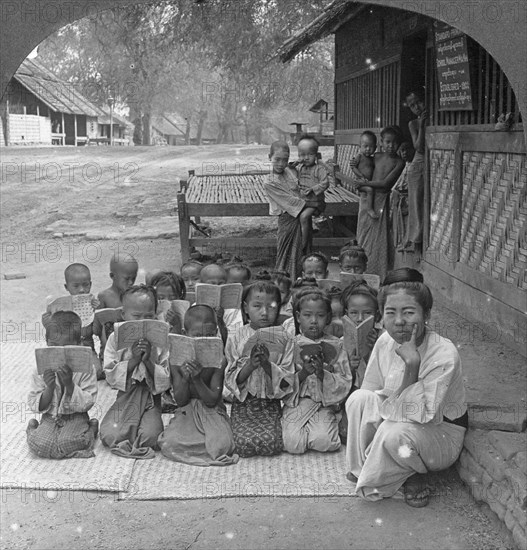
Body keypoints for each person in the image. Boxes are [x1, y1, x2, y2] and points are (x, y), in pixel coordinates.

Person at [345, 268, 467, 507]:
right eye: (391, 312)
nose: (399, 321)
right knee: (359, 398)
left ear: (427, 315)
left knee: (394, 433)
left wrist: (412, 365)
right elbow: (373, 391)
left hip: (437, 434)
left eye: (409, 312)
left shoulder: (444, 354)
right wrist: (377, 422)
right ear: (382, 315)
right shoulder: (385, 340)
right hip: (395, 419)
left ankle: (415, 472)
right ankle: (370, 468)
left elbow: (418, 416)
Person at [157, 305, 239, 466]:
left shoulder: (219, 359)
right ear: (184, 334)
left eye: (209, 335)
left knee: (223, 444)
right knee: (169, 443)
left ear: (216, 332)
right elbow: (180, 401)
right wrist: (186, 378)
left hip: (211, 411)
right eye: (197, 335)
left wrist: (197, 380)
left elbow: (212, 400)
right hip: (187, 410)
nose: (204, 340)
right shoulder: (176, 359)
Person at [224, 281, 295, 457]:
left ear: (279, 307)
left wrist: (266, 365)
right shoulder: (236, 337)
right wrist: (250, 366)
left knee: (272, 444)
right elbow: (230, 377)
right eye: (257, 306)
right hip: (244, 402)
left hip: (270, 402)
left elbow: (288, 377)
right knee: (242, 445)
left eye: (271, 307)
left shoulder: (285, 338)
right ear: (246, 308)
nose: (264, 313)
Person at [100, 285, 170, 459]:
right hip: (126, 396)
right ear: (123, 314)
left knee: (151, 439)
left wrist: (147, 360)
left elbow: (166, 377)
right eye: (136, 316)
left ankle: (146, 423)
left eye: (148, 316)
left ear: (156, 314)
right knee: (111, 435)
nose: (142, 322)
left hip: (151, 399)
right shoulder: (114, 339)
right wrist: (133, 360)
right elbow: (110, 374)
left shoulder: (162, 338)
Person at [282, 290, 352, 454]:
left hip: (323, 404)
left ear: (328, 317)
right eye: (307, 315)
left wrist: (322, 373)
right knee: (292, 445)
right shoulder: (290, 344)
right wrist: (303, 373)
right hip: (298, 402)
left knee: (326, 443)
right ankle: (304, 428)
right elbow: (281, 380)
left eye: (320, 316)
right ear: (298, 317)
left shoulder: (337, 345)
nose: (313, 321)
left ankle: (320, 425)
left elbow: (344, 380)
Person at [27, 311, 98, 459]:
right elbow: (35, 403)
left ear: (78, 344)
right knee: (41, 444)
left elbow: (88, 402)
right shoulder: (41, 368)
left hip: (76, 417)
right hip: (50, 416)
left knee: (69, 442)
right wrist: (50, 387)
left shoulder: (86, 367)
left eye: (67, 347)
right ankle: (32, 430)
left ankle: (91, 428)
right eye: (54, 346)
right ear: (47, 342)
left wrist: (69, 384)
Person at [355, 126, 405, 279]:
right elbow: (362, 164)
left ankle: (377, 274)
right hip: (366, 199)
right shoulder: (376, 156)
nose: (391, 146)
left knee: (379, 239)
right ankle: (358, 270)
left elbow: (385, 184)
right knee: (363, 234)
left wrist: (366, 184)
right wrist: (355, 165)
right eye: (387, 142)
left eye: (395, 143)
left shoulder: (399, 162)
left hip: (381, 200)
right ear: (381, 142)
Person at [264, 141, 316, 280]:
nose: (281, 164)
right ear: (269, 157)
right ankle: (284, 285)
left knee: (303, 252)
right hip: (288, 221)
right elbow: (292, 202)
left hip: (302, 219)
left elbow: (299, 186)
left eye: (285, 160)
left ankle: (302, 283)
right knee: (286, 256)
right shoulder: (269, 182)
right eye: (277, 159)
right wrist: (313, 204)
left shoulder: (289, 171)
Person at [41, 263, 103, 379]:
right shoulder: (60, 306)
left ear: (91, 284)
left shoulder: (92, 304)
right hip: (63, 351)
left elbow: (97, 331)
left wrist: (97, 312)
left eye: (86, 285)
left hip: (86, 349)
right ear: (66, 287)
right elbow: (52, 337)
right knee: (53, 372)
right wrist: (48, 325)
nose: (81, 290)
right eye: (76, 286)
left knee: (97, 372)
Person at [292, 135, 330, 254]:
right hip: (303, 201)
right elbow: (289, 173)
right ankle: (301, 240)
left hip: (315, 202)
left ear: (316, 155)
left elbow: (325, 183)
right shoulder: (300, 168)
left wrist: (313, 189)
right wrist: (294, 165)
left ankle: (303, 243)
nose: (306, 158)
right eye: (302, 155)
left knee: (303, 217)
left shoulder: (319, 169)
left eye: (310, 154)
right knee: (295, 217)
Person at [405, 92, 428, 251]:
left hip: (431, 165)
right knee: (416, 204)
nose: (417, 107)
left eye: (419, 102)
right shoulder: (413, 123)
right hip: (417, 168)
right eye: (412, 105)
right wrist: (421, 125)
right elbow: (419, 147)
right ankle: (416, 241)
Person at [391, 142, 415, 251]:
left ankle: (407, 243)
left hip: (409, 198)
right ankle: (402, 242)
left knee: (408, 222)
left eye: (407, 150)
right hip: (401, 197)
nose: (404, 153)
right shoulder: (406, 165)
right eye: (402, 150)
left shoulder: (413, 165)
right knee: (401, 222)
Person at [350, 131, 378, 218]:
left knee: (371, 190)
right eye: (365, 146)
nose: (368, 149)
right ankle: (369, 209)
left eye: (371, 147)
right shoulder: (359, 156)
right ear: (360, 146)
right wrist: (361, 176)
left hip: (367, 182)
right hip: (360, 182)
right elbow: (353, 167)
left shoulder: (372, 159)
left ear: (375, 148)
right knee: (370, 190)